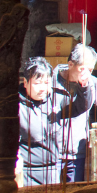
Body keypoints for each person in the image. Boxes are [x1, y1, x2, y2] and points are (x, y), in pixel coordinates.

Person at [54, 44, 97, 182]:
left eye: (90, 70)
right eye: (81, 69)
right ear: (70, 64)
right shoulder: (51, 81)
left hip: (76, 150)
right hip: (53, 149)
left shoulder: (92, 83)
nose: (85, 74)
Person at [17, 57, 63, 185]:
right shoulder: (17, 106)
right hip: (27, 172)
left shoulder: (55, 100)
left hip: (52, 170)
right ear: (25, 83)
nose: (42, 88)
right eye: (37, 83)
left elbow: (80, 107)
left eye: (46, 83)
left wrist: (84, 86)